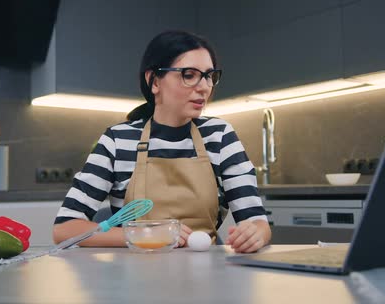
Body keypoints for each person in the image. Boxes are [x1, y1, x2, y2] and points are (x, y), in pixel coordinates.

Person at [53, 30, 271, 253]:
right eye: (189, 75)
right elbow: (65, 228)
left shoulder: (220, 136)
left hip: (206, 275)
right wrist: (147, 234)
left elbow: (257, 221)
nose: (205, 86)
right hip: (132, 278)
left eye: (209, 75)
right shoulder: (118, 140)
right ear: (154, 81)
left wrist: (255, 234)